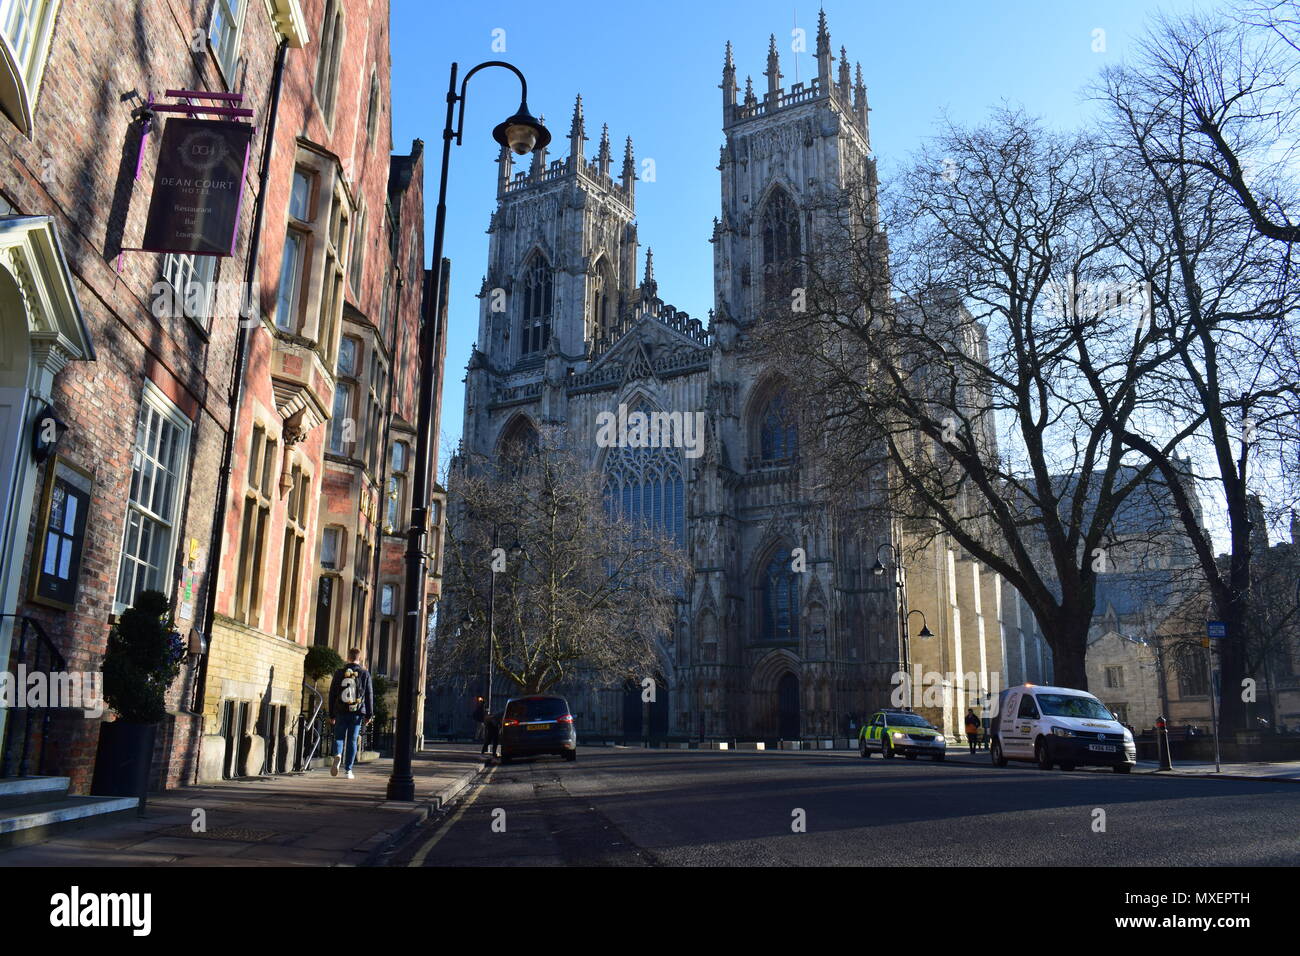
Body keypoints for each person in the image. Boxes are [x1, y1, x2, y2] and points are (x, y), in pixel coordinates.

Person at [328, 648, 374, 779]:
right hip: (357, 712)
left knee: (339, 737)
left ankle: (338, 754)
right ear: (359, 658)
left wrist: (332, 714)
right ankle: (348, 770)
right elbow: (369, 695)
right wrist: (369, 715)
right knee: (353, 740)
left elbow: (332, 694)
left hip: (341, 710)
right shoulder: (364, 674)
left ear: (348, 657)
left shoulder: (339, 673)